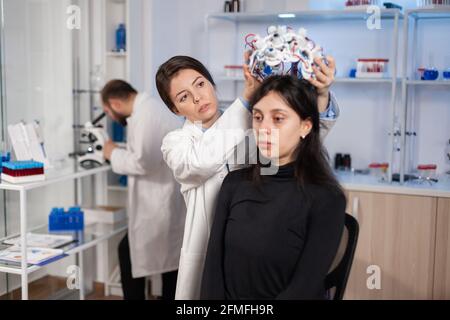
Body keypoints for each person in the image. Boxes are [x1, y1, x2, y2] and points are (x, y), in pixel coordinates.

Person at [156, 54, 339, 300]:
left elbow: (299, 134)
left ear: (211, 83)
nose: (197, 97)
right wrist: (245, 101)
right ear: (174, 109)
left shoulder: (249, 119)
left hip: (263, 250)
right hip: (216, 257)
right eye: (184, 97)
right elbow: (200, 162)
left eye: (200, 84)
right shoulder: (177, 143)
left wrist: (322, 93)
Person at [201, 75, 346, 300]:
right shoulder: (234, 183)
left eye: (278, 119)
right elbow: (212, 271)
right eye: (258, 117)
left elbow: (304, 287)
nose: (264, 128)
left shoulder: (326, 197)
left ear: (305, 126)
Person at [101, 80, 185, 300]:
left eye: (107, 111)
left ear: (115, 103)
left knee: (136, 255)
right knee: (170, 265)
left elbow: (142, 163)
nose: (110, 117)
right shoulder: (148, 109)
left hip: (159, 202)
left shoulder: (146, 116)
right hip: (163, 198)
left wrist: (111, 153)